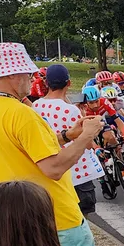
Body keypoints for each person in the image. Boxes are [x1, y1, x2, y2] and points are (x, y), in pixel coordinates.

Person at [0, 43, 104, 246]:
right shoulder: (22, 114)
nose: (33, 80)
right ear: (14, 74)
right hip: (56, 217)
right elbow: (53, 168)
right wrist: (86, 137)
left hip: (17, 219)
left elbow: (27, 147)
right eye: (28, 74)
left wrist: (69, 135)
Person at [31, 65, 105, 216]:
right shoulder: (71, 110)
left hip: (54, 168)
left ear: (46, 83)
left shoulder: (36, 106)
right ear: (69, 83)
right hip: (78, 172)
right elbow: (87, 139)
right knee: (81, 217)